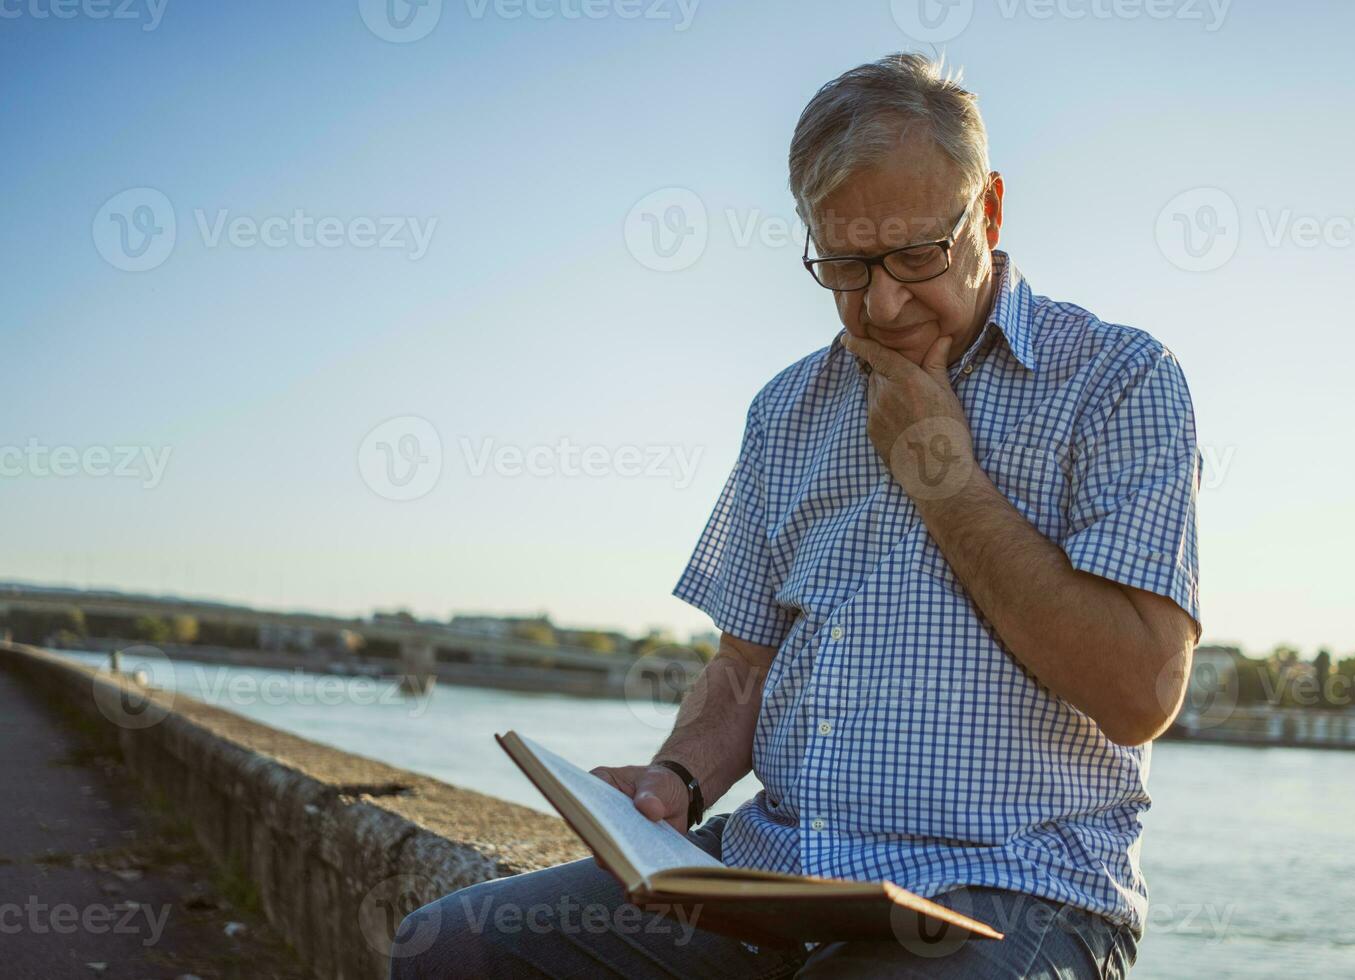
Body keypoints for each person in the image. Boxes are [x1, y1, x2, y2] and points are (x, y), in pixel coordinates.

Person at [391, 51, 1201, 979]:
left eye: (916, 256)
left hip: (1011, 896)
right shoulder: (788, 410)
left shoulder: (1119, 381)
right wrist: (677, 781)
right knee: (446, 951)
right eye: (848, 266)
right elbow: (746, 667)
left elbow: (1141, 694)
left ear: (990, 210)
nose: (884, 303)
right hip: (772, 873)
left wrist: (942, 478)